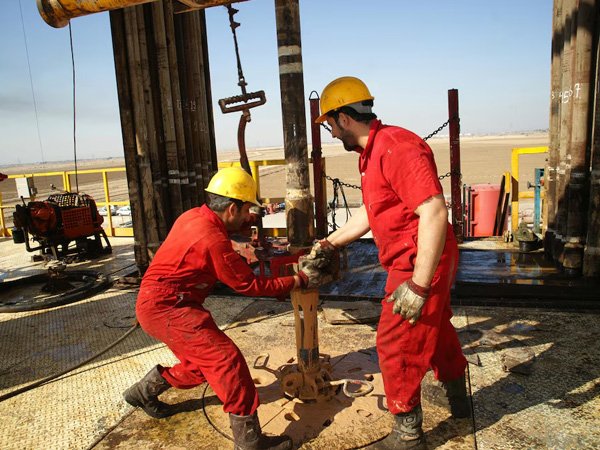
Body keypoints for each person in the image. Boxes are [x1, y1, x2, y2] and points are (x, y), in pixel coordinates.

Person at [312, 77, 470, 449]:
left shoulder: (397, 148)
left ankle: (407, 436)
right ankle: (459, 402)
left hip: (419, 260)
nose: (331, 133)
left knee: (395, 344)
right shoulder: (371, 154)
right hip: (415, 256)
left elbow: (434, 211)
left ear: (344, 118)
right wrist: (329, 244)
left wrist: (418, 285)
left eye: (330, 124)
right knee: (434, 329)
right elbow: (372, 212)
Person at [123, 167, 328, 450]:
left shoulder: (193, 216)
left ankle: (142, 393)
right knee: (226, 361)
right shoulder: (211, 239)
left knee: (199, 367)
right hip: (168, 308)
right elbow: (248, 285)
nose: (247, 217)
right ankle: (250, 442)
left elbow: (221, 240)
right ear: (232, 208)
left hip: (159, 302)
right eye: (245, 211)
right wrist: (298, 280)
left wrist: (246, 226)